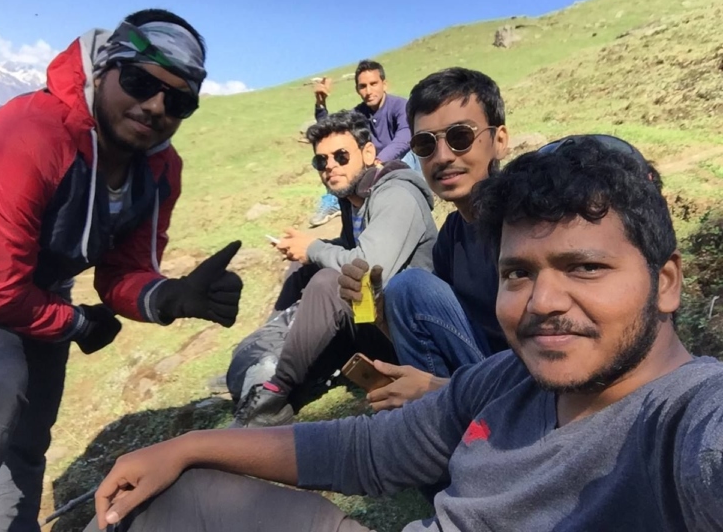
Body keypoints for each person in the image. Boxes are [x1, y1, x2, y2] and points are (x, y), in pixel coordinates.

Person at [88, 136, 723, 532]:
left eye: (585, 267)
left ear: (666, 282)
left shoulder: (684, 419)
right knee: (154, 502)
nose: (543, 302)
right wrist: (188, 446)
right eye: (518, 273)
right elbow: (365, 450)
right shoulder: (508, 380)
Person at [0, 9, 244, 532]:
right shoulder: (30, 135)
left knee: (26, 443)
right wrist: (76, 324)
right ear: (106, 68)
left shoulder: (160, 169)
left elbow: (123, 271)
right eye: (140, 82)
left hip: (39, 287)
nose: (155, 106)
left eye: (178, 101)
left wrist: (170, 297)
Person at [227, 110, 437, 428]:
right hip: (378, 318)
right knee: (303, 269)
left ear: (368, 153)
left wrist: (313, 247)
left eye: (341, 156)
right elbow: (350, 247)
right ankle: (275, 355)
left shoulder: (397, 195)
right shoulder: (353, 199)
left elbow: (366, 267)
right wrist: (307, 250)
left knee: (328, 282)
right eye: (321, 160)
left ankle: (272, 398)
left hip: (416, 336)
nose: (330, 166)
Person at [339, 67, 511, 412]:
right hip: (486, 384)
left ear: (500, 141)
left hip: (535, 394)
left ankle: (434, 420)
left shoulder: (529, 226)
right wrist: (383, 315)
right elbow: (438, 341)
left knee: (410, 285)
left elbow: (555, 355)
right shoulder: (452, 236)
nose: (443, 156)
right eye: (425, 144)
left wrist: (440, 391)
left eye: (460, 136)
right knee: (406, 287)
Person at [309, 59, 414, 227]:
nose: (369, 91)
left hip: (397, 162)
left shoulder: (400, 105)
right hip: (370, 166)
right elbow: (332, 134)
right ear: (357, 89)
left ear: (384, 84)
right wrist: (321, 104)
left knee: (409, 155)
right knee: (336, 163)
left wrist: (379, 159)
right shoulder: (358, 114)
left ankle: (406, 195)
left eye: (373, 84)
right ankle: (334, 202)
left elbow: (405, 135)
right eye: (363, 86)